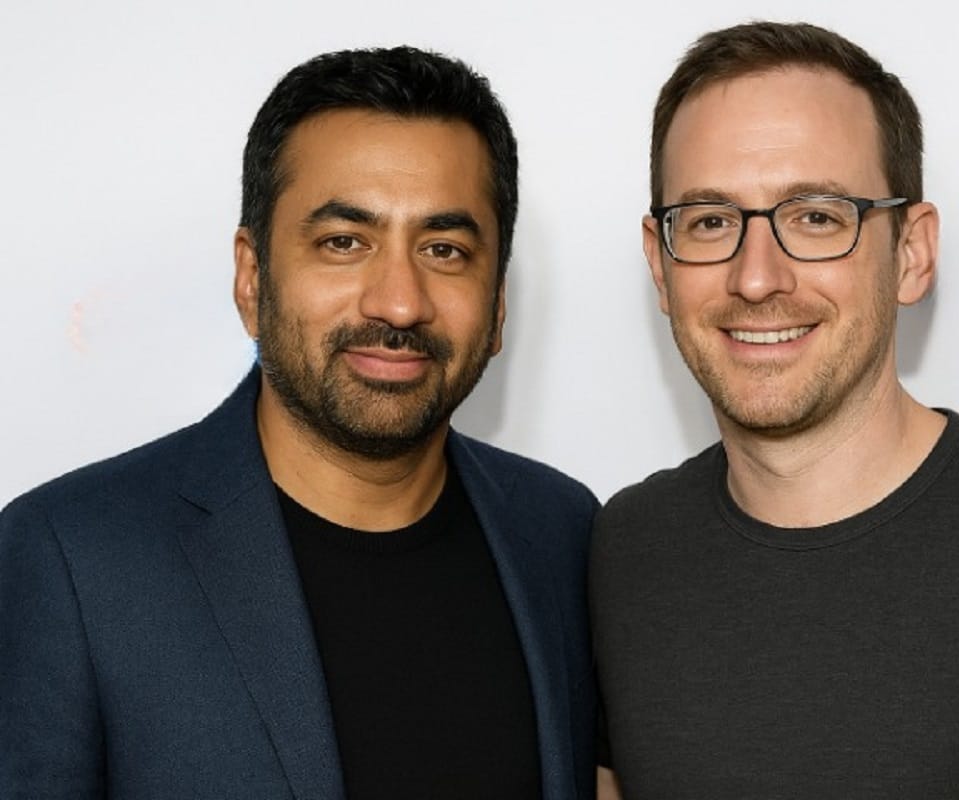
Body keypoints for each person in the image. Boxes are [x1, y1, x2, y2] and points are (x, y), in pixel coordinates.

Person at [591, 20, 959, 800]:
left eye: (816, 216)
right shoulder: (625, 550)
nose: (755, 277)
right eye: (710, 221)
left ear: (911, 253)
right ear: (659, 261)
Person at [0, 47, 597, 799]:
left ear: (498, 302)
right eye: (344, 243)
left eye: (445, 250)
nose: (399, 302)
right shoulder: (72, 559)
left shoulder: (563, 532)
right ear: (252, 278)